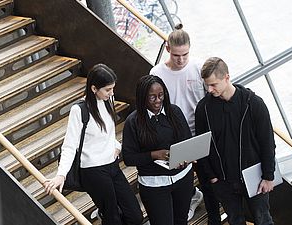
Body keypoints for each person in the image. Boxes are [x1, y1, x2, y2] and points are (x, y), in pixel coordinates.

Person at [44, 64, 143, 225]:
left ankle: (103, 213)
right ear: (94, 88)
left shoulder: (108, 100)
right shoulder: (79, 110)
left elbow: (108, 133)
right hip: (92, 170)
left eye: (112, 88)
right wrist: (61, 175)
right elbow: (69, 145)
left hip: (112, 165)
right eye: (108, 89)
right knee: (113, 219)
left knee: (135, 216)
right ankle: (105, 214)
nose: (112, 93)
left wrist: (116, 147)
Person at [150, 23, 221, 224]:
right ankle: (192, 197)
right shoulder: (157, 72)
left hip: (199, 131)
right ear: (167, 50)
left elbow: (211, 99)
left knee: (208, 177)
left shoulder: (198, 68)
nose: (180, 60)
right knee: (181, 175)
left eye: (185, 55)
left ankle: (212, 214)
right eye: (176, 55)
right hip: (174, 134)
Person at [195, 57, 276, 225]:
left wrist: (268, 176)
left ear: (227, 77)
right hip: (223, 182)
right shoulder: (203, 109)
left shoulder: (253, 104)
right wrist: (212, 177)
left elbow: (267, 142)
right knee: (235, 221)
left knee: (263, 220)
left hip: (255, 177)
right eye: (206, 85)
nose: (209, 89)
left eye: (213, 84)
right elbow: (202, 146)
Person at [122, 75, 193, 225]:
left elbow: (187, 140)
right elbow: (129, 158)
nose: (158, 100)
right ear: (142, 98)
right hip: (154, 185)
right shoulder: (133, 122)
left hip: (183, 177)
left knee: (181, 221)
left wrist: (185, 158)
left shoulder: (174, 112)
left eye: (161, 95)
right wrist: (154, 155)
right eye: (152, 97)